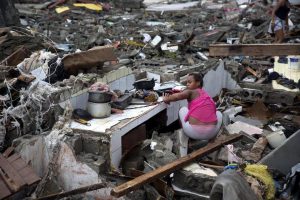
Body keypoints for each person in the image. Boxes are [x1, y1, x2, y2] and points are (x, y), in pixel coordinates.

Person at [163, 72, 222, 140]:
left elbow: (178, 96)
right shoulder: (206, 95)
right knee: (219, 113)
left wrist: (167, 98)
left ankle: (186, 137)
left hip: (194, 133)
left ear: (198, 83)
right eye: (187, 83)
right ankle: (213, 139)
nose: (187, 84)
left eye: (190, 82)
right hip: (212, 133)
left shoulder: (191, 92)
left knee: (182, 109)